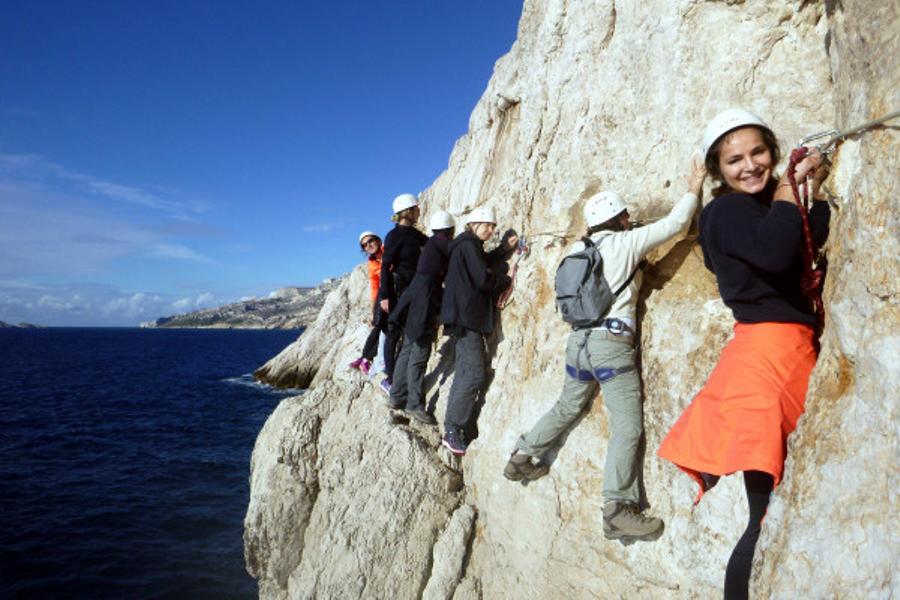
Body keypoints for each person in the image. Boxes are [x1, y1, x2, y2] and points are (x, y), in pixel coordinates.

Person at [657, 108, 830, 600]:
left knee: (767, 509)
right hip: (768, 360)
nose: (749, 165)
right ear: (717, 170)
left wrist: (807, 189)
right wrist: (782, 191)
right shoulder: (728, 212)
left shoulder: (744, 212)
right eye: (734, 160)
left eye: (758, 152)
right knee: (764, 514)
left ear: (773, 152)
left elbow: (803, 234)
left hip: (770, 352)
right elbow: (777, 253)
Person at [503, 165, 705, 541]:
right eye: (625, 215)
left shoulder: (579, 249)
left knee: (568, 405)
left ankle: (521, 457)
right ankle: (617, 508)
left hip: (578, 343)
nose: (630, 219)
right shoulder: (625, 243)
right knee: (627, 425)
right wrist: (694, 186)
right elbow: (677, 223)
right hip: (611, 346)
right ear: (619, 218)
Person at [440, 206, 517, 456]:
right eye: (486, 225)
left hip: (462, 318)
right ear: (473, 224)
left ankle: (452, 427)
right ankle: (452, 429)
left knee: (464, 373)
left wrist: (503, 250)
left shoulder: (467, 246)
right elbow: (483, 279)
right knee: (473, 374)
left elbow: (481, 264)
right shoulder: (468, 246)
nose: (491, 229)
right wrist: (508, 279)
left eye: (493, 226)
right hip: (467, 319)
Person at [386, 210, 456, 423]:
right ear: (450, 230)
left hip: (414, 301)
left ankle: (396, 397)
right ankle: (414, 405)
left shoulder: (432, 244)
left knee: (407, 351)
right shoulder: (442, 243)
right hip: (424, 306)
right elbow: (463, 249)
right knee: (419, 355)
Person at [377, 193, 428, 396]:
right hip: (397, 291)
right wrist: (385, 296)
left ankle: (400, 376)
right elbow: (385, 267)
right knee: (393, 334)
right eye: (416, 208)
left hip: (412, 290)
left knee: (407, 334)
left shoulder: (416, 235)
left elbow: (433, 245)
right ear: (409, 211)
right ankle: (390, 378)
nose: (419, 211)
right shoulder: (394, 236)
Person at [348, 231, 387, 376]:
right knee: (378, 325)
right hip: (382, 295)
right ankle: (365, 357)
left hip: (393, 291)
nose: (368, 245)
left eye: (370, 241)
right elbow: (375, 287)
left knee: (381, 327)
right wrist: (373, 310)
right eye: (364, 245)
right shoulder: (371, 263)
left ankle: (366, 358)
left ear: (377, 240)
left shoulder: (388, 251)